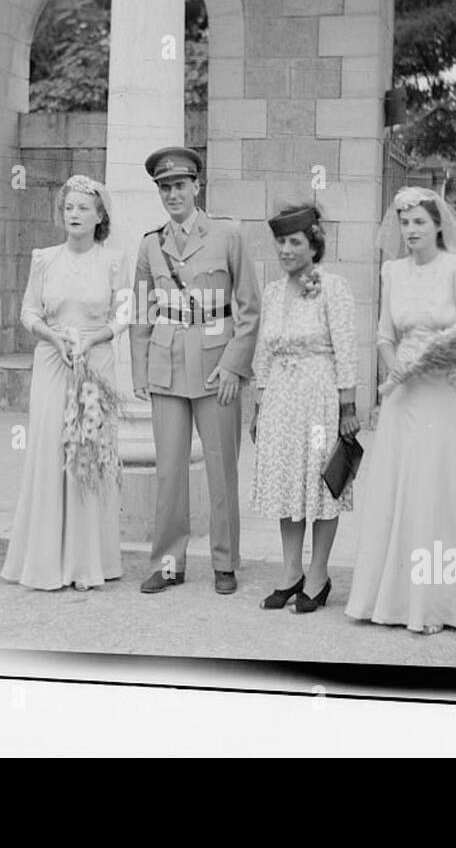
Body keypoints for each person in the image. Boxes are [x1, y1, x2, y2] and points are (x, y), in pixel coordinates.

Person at [345, 186, 456, 635]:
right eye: (404, 222)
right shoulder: (392, 272)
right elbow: (384, 335)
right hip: (403, 395)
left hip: (445, 392)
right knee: (401, 485)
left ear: (437, 226)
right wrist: (397, 368)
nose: (410, 230)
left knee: (438, 486)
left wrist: (439, 358)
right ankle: (392, 599)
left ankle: (437, 604)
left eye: (418, 222)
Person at [129, 146, 262, 596]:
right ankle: (168, 564)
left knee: (222, 469)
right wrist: (140, 372)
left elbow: (249, 307)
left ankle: (224, 562)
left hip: (215, 367)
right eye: (165, 187)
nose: (173, 194)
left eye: (180, 185)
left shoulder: (227, 235)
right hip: (166, 366)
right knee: (170, 472)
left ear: (197, 187)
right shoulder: (151, 244)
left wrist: (233, 366)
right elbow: (141, 311)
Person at [1, 175, 130, 591]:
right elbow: (28, 311)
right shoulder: (44, 259)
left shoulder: (115, 261)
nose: (74, 214)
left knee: (88, 454)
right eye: (69, 207)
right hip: (52, 361)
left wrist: (93, 339)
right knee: (49, 450)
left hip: (95, 363)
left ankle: (87, 561)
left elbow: (124, 314)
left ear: (99, 217)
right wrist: (53, 338)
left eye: (83, 208)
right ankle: (43, 561)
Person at [250, 203, 359, 613]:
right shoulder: (273, 292)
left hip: (318, 400)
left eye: (295, 242)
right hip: (281, 400)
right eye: (280, 242)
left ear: (314, 246)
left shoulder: (333, 288)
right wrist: (259, 405)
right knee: (286, 482)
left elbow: (346, 348)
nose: (286, 250)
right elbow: (264, 352)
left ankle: (318, 575)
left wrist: (348, 407)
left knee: (321, 481)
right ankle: (290, 572)